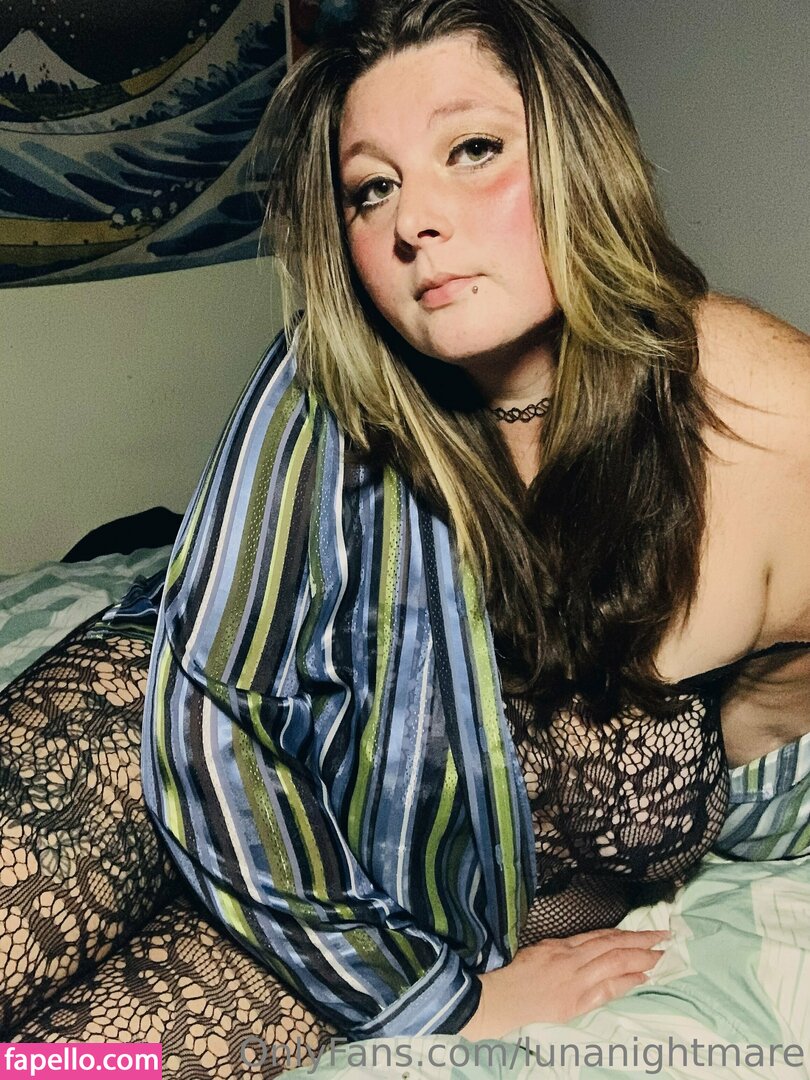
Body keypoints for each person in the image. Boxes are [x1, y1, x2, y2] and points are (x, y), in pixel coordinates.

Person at [2, 0, 808, 1067]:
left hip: (383, 882)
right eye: (371, 187)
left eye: (472, 150)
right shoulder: (325, 378)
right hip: (161, 723)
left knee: (61, 1066)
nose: (412, 219)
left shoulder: (749, 411)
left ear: (579, 156)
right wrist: (442, 1006)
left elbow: (766, 775)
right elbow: (213, 712)